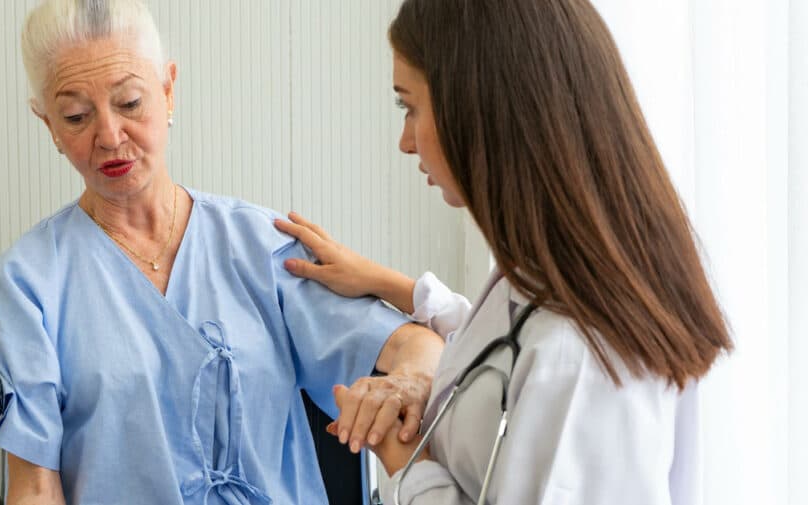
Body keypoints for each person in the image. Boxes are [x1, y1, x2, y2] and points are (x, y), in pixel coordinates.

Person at [0, 1, 445, 503]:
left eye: (129, 103)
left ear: (168, 91)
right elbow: (35, 487)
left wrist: (409, 382)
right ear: (49, 127)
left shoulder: (260, 246)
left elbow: (419, 348)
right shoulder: (30, 282)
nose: (109, 136)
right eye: (76, 116)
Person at [274, 0, 733, 503]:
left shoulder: (579, 357)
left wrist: (405, 464)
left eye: (410, 106)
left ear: (479, 108)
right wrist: (393, 286)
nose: (406, 142)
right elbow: (498, 350)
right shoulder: (565, 279)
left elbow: (532, 364)